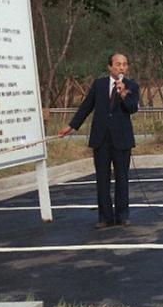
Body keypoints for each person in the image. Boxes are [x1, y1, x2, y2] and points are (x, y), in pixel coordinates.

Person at [58, 53, 140, 229]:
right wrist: (71, 126)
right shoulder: (99, 84)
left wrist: (123, 93)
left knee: (122, 178)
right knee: (102, 179)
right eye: (118, 64)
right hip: (101, 139)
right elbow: (86, 106)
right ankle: (105, 217)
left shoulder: (132, 86)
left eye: (124, 64)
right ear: (110, 67)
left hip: (122, 139)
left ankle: (122, 215)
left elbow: (132, 108)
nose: (121, 67)